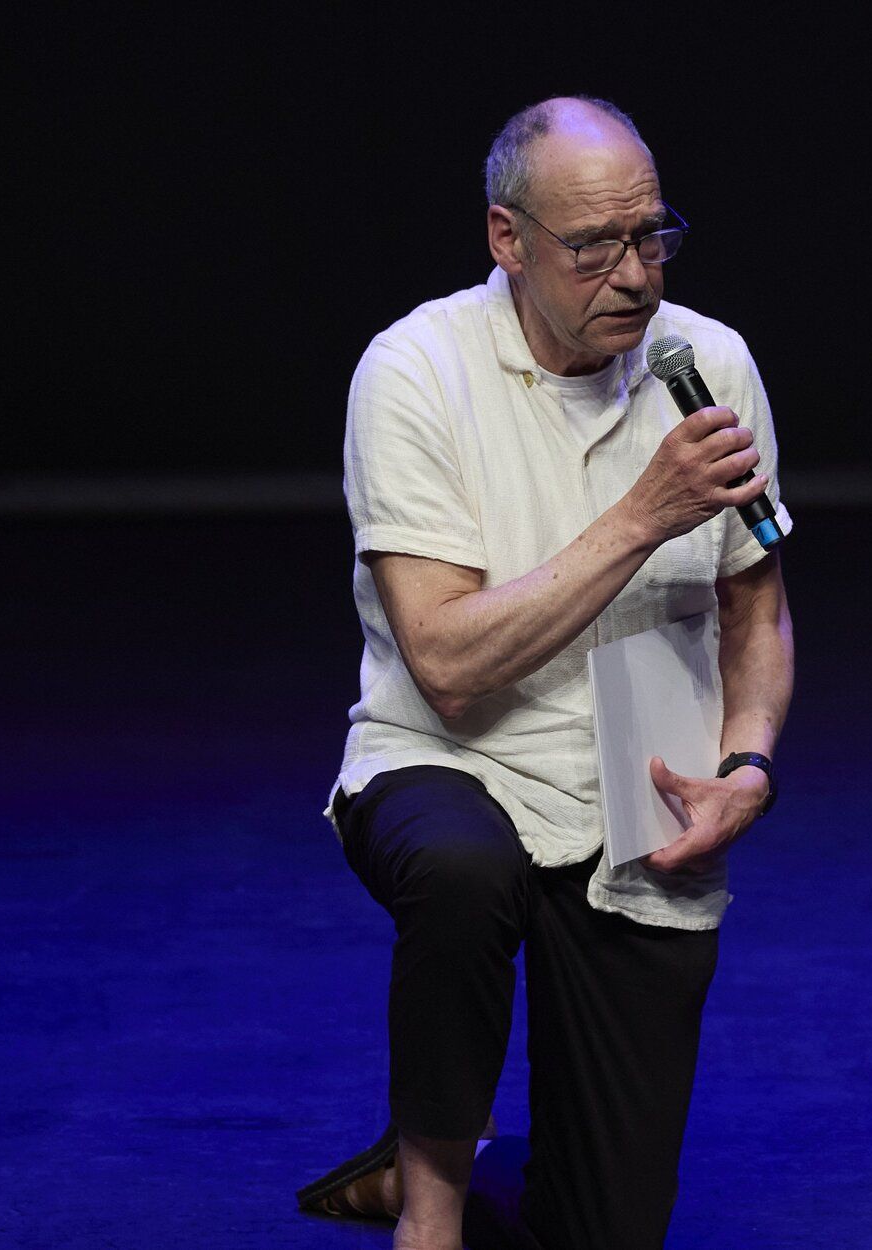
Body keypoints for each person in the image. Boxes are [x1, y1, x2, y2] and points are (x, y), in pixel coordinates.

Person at [299, 96, 795, 1250]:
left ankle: (426, 1169)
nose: (637, 274)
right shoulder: (415, 368)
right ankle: (430, 1212)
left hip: (641, 763)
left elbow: (758, 600)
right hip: (446, 753)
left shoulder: (712, 362)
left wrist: (749, 762)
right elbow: (445, 662)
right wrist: (643, 513)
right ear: (507, 239)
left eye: (653, 235)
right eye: (595, 246)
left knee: (604, 1227)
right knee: (464, 873)